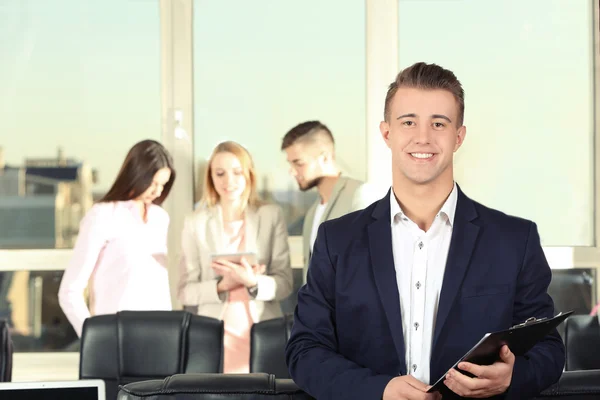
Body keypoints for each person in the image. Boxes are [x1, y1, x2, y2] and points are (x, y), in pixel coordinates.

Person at [285, 62, 565, 400]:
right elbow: (305, 351)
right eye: (408, 122)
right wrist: (380, 390)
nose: (423, 137)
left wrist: (511, 377)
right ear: (387, 133)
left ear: (458, 137)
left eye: (439, 123)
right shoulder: (337, 240)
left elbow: (548, 349)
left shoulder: (513, 240)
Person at [178, 141, 293, 374]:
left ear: (249, 174)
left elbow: (284, 284)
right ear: (210, 177)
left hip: (263, 332)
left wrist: (252, 281)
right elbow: (184, 291)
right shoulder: (195, 223)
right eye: (219, 173)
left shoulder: (270, 216)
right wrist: (222, 286)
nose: (228, 181)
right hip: (214, 336)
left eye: (237, 172)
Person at [59, 139, 176, 337]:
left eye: (163, 185)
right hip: (117, 338)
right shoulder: (103, 215)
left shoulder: (160, 218)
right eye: (153, 183)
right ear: (136, 174)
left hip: (161, 336)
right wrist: (94, 339)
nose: (158, 191)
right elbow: (69, 292)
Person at [281, 121, 376, 282]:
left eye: (298, 163)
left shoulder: (359, 195)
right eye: (290, 164)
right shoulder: (312, 212)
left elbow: (369, 268)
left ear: (324, 157)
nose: (292, 171)